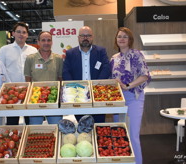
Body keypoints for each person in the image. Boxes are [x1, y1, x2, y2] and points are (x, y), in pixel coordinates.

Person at [110, 27, 151, 164]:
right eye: (119, 36)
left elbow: (145, 75)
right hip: (118, 100)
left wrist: (127, 86)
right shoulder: (113, 58)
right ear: (116, 40)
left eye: (125, 36)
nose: (121, 39)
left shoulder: (137, 54)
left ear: (130, 40)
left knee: (132, 135)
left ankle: (137, 162)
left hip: (134, 98)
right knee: (119, 132)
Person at [62, 26, 110, 123]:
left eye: (88, 35)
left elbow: (106, 68)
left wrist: (96, 86)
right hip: (79, 96)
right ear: (78, 37)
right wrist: (74, 89)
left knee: (99, 125)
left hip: (98, 94)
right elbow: (66, 71)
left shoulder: (101, 51)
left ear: (92, 37)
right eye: (83, 35)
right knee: (82, 125)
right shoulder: (70, 53)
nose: (85, 38)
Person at [0, 22, 38, 125]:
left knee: (30, 122)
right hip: (11, 92)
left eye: (24, 32)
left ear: (27, 35)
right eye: (18, 32)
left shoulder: (33, 50)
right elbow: (0, 70)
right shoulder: (4, 50)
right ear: (13, 33)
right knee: (12, 122)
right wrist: (9, 87)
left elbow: (36, 71)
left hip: (29, 92)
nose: (21, 34)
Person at [24, 31, 63, 124]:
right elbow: (28, 79)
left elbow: (60, 78)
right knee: (35, 128)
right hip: (35, 99)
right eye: (43, 40)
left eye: (49, 40)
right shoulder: (30, 58)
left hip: (53, 98)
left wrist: (59, 98)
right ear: (38, 42)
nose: (46, 43)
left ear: (52, 42)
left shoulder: (58, 58)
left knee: (56, 127)